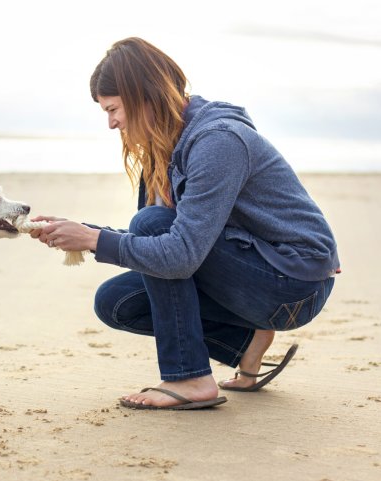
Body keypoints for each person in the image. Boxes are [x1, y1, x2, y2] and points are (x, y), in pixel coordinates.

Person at [31, 37, 339, 410]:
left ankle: (190, 377)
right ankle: (245, 344)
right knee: (115, 302)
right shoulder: (165, 147)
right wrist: (80, 232)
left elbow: (176, 254)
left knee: (151, 221)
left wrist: (94, 239)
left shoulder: (218, 141)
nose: (112, 123)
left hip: (291, 285)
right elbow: (159, 245)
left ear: (144, 95)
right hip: (250, 271)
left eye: (113, 109)